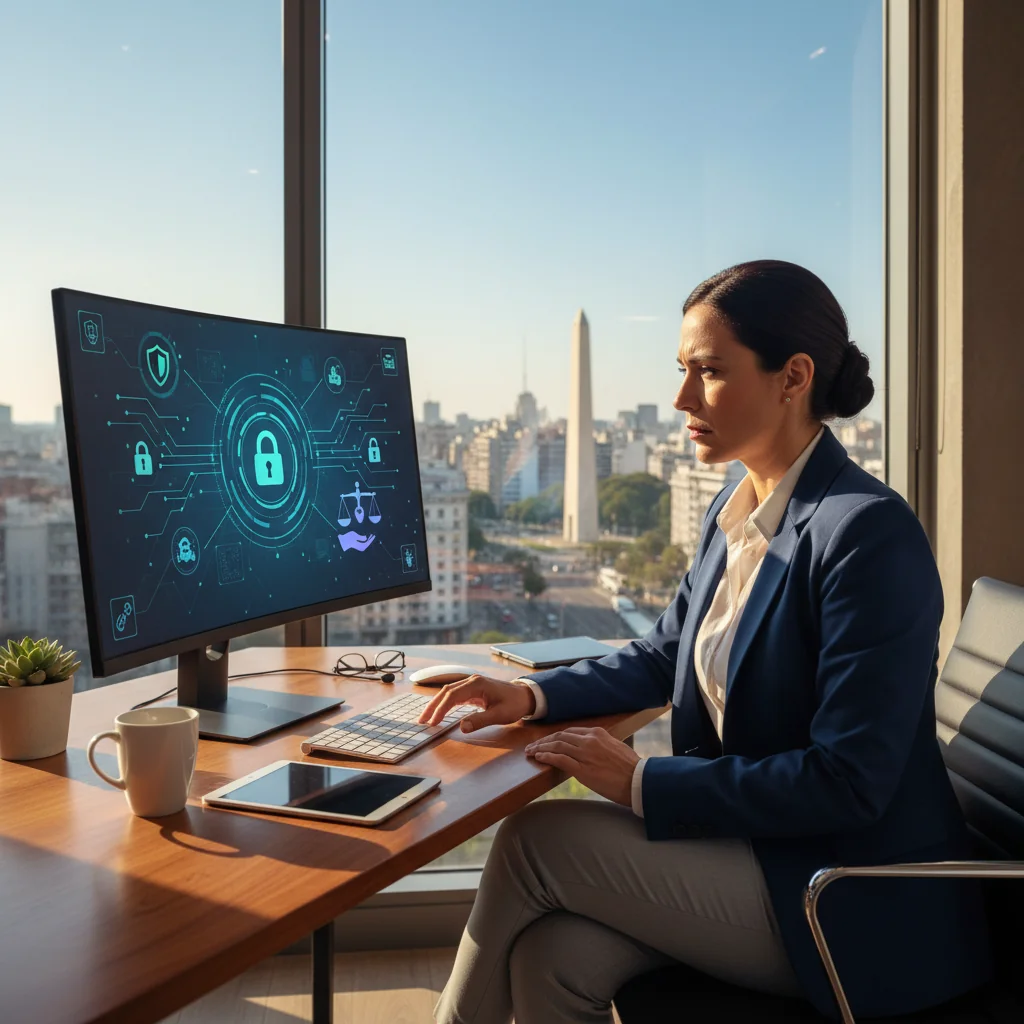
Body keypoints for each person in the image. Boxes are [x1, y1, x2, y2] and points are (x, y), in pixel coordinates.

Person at [419, 260, 991, 1023]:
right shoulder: (737, 501)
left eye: (710, 372)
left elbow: (849, 781)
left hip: (847, 895)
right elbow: (665, 653)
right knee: (552, 958)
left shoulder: (867, 534)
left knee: (534, 840)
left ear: (793, 377)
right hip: (751, 852)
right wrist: (531, 695)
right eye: (681, 371)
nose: (683, 398)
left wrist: (640, 783)